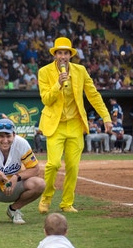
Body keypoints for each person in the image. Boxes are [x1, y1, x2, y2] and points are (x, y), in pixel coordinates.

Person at [38, 37, 112, 214]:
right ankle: (46, 198)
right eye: (59, 53)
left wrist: (106, 117)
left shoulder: (80, 71)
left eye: (66, 53)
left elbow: (93, 95)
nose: (63, 56)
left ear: (70, 55)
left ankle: (67, 203)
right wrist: (58, 84)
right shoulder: (44, 72)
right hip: (55, 125)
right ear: (55, 55)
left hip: (75, 125)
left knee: (73, 166)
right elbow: (46, 99)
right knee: (53, 164)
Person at [0, 119, 45, 225]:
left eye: (8, 136)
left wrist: (16, 177)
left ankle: (14, 210)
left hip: (15, 186)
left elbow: (35, 169)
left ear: (14, 135)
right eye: (1, 136)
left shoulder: (21, 143)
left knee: (40, 183)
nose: (5, 140)